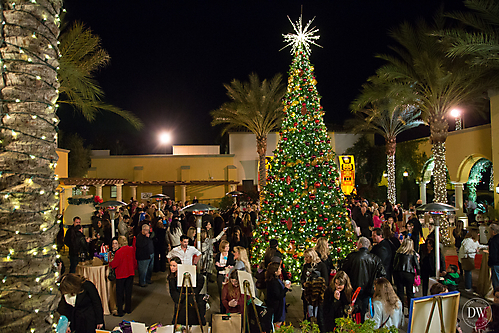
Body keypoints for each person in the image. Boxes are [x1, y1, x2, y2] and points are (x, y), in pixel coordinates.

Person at [341, 237, 386, 322]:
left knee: (352, 313)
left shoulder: (351, 257)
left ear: (360, 245)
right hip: (368, 291)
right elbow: (382, 274)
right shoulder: (375, 259)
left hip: (353, 289)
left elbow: (343, 272)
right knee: (365, 313)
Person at [167, 257, 206, 325]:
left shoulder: (186, 273)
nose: (172, 268)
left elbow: (201, 278)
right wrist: (181, 297)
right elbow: (173, 292)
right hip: (181, 300)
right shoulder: (171, 278)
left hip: (190, 299)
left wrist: (195, 292)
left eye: (174, 266)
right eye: (170, 265)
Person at [109, 236, 136, 317]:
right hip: (130, 273)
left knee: (119, 293)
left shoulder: (119, 252)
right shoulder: (131, 249)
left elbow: (114, 264)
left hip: (121, 274)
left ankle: (120, 311)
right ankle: (128, 309)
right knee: (128, 292)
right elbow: (134, 260)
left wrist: (110, 263)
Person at [300, 248, 328, 328]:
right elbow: (302, 277)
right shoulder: (305, 266)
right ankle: (307, 323)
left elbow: (325, 279)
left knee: (318, 310)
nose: (305, 259)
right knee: (306, 309)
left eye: (307, 257)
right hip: (307, 292)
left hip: (317, 293)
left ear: (312, 257)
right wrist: (304, 283)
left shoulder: (321, 265)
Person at [392, 238, 420, 311]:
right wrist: (418, 274)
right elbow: (417, 265)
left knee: (400, 292)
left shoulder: (398, 252)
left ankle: (401, 311)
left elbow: (394, 264)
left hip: (398, 273)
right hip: (409, 274)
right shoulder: (412, 253)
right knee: (409, 293)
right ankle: (410, 311)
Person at [266, 262, 291, 330]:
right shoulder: (273, 282)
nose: (281, 270)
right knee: (277, 324)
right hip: (277, 307)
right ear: (275, 271)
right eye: (279, 268)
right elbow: (278, 296)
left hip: (278, 306)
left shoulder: (274, 279)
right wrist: (286, 288)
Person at [214, 240, 235, 312]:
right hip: (220, 275)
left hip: (228, 275)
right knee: (221, 293)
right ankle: (222, 310)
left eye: (228, 247)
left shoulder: (231, 255)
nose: (228, 248)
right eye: (226, 247)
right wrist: (223, 267)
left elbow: (231, 265)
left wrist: (222, 266)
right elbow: (217, 267)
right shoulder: (218, 255)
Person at [489, 224, 499, 289]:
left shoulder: (493, 240)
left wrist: (490, 262)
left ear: (493, 232)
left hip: (496, 263)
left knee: (496, 281)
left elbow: (493, 253)